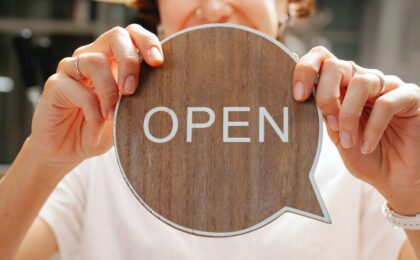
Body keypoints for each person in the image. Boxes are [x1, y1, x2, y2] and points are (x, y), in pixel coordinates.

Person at [1, 0, 419, 259]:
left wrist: (413, 192)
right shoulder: (98, 142)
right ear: (156, 10)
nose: (215, 5)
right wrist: (43, 157)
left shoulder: (358, 147)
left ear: (287, 5)